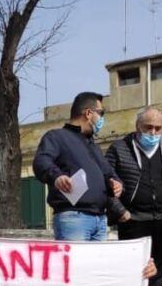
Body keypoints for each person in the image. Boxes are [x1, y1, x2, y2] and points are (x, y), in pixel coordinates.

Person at [33, 91, 123, 241]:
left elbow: (109, 172)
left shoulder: (93, 145)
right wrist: (57, 176)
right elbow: (41, 161)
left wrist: (116, 182)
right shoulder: (56, 137)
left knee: (97, 265)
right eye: (101, 113)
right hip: (74, 218)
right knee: (76, 264)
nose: (102, 118)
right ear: (88, 113)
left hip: (100, 219)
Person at [106, 106, 162, 265]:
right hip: (133, 222)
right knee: (135, 268)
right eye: (148, 127)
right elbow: (106, 182)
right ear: (138, 126)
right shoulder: (119, 148)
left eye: (158, 128)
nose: (153, 133)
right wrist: (120, 211)